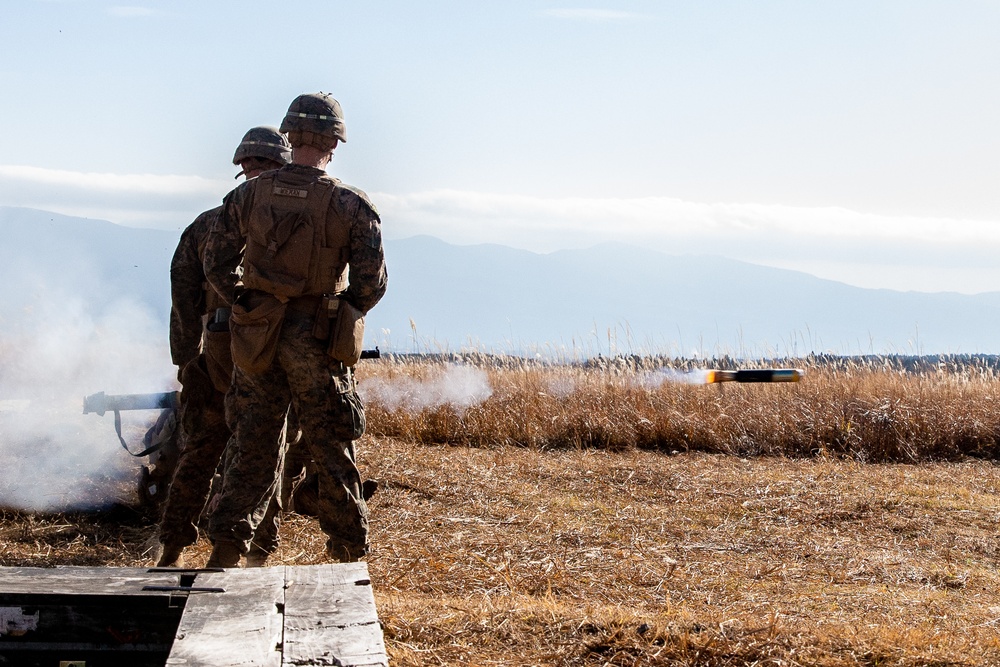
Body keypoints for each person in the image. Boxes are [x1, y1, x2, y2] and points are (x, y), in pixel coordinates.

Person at [203, 92, 387, 568]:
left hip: (257, 334)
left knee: (252, 444)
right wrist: (338, 310)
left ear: (288, 135)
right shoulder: (350, 204)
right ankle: (348, 555)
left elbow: (215, 261)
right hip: (318, 337)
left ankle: (227, 551)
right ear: (334, 141)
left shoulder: (247, 194)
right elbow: (371, 282)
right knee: (331, 445)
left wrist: (246, 302)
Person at [155, 126, 292, 568]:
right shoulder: (290, 225)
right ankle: (251, 555)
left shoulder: (206, 224)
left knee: (201, 449)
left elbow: (183, 296)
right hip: (264, 352)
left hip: (210, 350)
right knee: (265, 450)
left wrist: (186, 357)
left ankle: (172, 548)